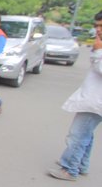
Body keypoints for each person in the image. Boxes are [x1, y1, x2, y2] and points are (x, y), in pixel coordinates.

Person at [48, 11, 102, 181]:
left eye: (101, 26)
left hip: (95, 101)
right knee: (87, 134)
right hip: (93, 98)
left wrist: (98, 53)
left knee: (77, 134)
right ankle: (80, 164)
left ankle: (70, 168)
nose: (98, 30)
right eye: (97, 26)